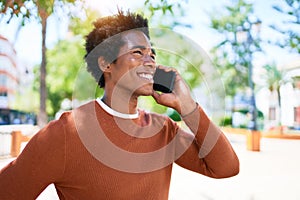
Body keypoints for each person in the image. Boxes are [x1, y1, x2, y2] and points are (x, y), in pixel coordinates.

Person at [0, 10, 239, 199]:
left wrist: (188, 107)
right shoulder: (64, 134)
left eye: (152, 55)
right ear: (106, 64)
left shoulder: (163, 129)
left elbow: (225, 168)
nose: (150, 62)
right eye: (138, 52)